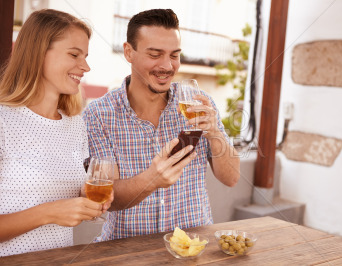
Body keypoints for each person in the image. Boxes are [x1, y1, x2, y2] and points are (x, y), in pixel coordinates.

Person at [83, 8, 240, 241]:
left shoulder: (197, 102)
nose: (167, 65)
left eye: (174, 55)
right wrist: (152, 179)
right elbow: (110, 198)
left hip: (192, 246)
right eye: (155, 54)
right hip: (127, 250)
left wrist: (214, 133)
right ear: (129, 52)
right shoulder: (99, 115)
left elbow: (232, 178)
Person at [0, 9, 112, 257]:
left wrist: (86, 199)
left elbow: (65, 190)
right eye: (74, 54)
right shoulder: (3, 121)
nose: (85, 66)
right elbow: (53, 208)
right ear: (38, 53)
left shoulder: (75, 125)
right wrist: (50, 213)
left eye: (85, 56)